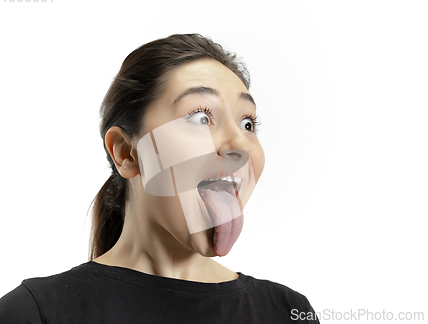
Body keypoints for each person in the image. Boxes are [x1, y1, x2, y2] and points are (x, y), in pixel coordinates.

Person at [0, 33, 319, 323]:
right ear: (126, 152)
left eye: (248, 123)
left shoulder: (286, 311)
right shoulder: (35, 313)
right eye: (201, 117)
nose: (239, 145)